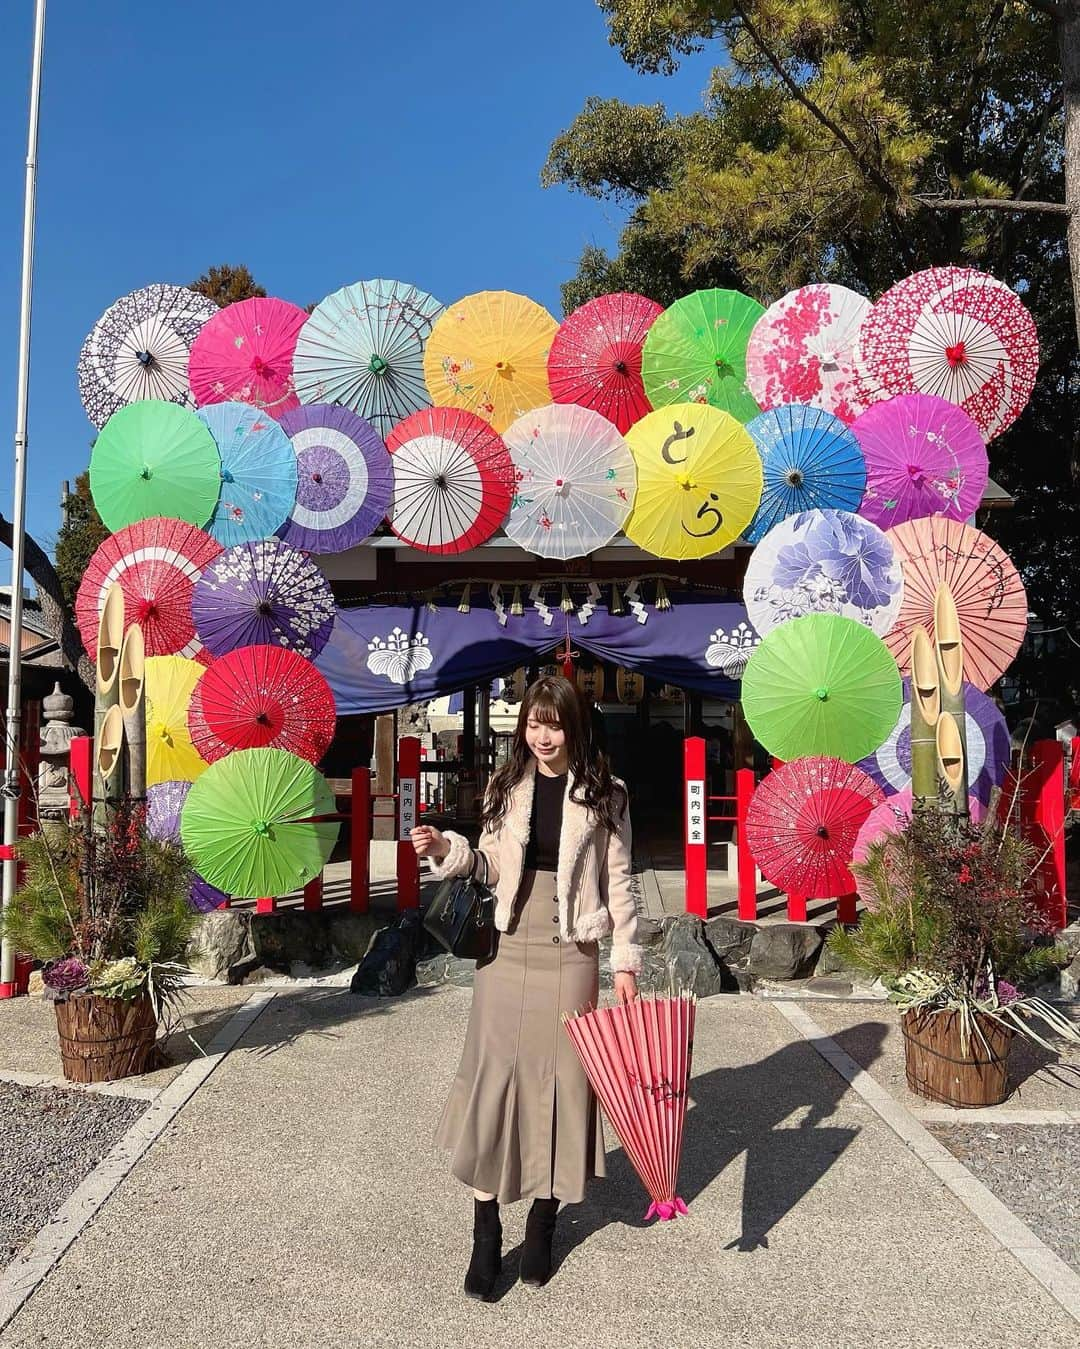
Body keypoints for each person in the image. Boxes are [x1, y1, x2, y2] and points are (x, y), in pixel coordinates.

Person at [411, 674, 643, 1301]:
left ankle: (542, 1220)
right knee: (495, 1077)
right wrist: (444, 848)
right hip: (507, 943)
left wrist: (625, 961)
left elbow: (619, 883)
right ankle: (486, 1230)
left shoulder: (606, 793)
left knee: (561, 1080)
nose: (543, 737)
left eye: (555, 723)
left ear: (575, 725)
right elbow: (488, 864)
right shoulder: (504, 785)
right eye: (534, 724)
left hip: (573, 949)